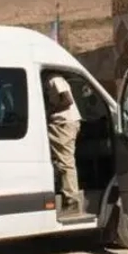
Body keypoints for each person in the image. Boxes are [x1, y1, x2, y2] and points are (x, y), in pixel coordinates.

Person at [44, 72, 83, 214]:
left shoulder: (54, 79)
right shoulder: (52, 80)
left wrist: (48, 112)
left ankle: (72, 200)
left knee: (65, 162)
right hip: (62, 124)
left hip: (63, 123)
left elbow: (67, 100)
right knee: (60, 161)